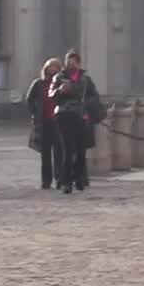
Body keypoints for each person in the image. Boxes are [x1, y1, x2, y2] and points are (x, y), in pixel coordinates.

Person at [51, 50, 102, 193]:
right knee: (67, 150)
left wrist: (86, 104)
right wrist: (60, 90)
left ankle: (79, 178)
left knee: (80, 151)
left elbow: (94, 96)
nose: (70, 65)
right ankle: (66, 181)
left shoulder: (85, 79)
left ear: (78, 64)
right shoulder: (58, 77)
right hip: (64, 116)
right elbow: (51, 95)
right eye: (68, 62)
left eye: (73, 63)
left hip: (80, 116)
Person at [23, 58, 63, 190]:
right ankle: (46, 180)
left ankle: (59, 178)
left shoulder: (61, 83)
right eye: (49, 68)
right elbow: (29, 99)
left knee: (59, 152)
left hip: (58, 121)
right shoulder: (39, 84)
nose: (52, 71)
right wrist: (34, 113)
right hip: (44, 121)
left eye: (55, 68)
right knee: (45, 153)